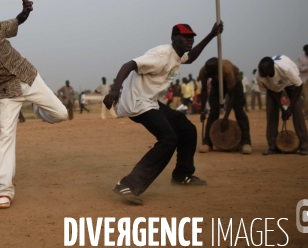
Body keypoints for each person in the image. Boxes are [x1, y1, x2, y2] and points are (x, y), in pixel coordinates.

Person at [0, 0, 68, 209]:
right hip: (6, 92)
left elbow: (19, 20)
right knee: (6, 138)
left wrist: (26, 9)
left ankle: (38, 108)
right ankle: (4, 191)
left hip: (29, 78)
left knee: (61, 114)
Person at [104, 22, 223, 205]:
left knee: (186, 128)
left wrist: (211, 34)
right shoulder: (161, 55)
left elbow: (190, 57)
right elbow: (129, 65)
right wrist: (114, 90)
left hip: (150, 102)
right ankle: (128, 184)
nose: (189, 40)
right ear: (173, 38)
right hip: (137, 103)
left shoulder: (178, 56)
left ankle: (182, 175)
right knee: (169, 139)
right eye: (184, 36)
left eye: (191, 37)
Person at [197, 58, 252, 155]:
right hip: (217, 84)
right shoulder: (204, 71)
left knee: (239, 110)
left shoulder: (227, 70)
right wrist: (202, 110)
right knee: (213, 112)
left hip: (235, 82)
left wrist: (226, 117)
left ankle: (246, 143)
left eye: (209, 72)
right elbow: (204, 90)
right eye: (206, 70)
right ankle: (208, 143)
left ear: (216, 71)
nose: (206, 72)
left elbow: (232, 96)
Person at [257, 55, 308, 156]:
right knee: (271, 113)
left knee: (297, 112)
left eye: (263, 71)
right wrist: (281, 108)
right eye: (260, 70)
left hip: (291, 83)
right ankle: (272, 146)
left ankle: (304, 145)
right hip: (273, 88)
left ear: (271, 69)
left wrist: (290, 109)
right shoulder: (259, 76)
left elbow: (299, 86)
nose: (260, 73)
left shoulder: (285, 68)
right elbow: (270, 91)